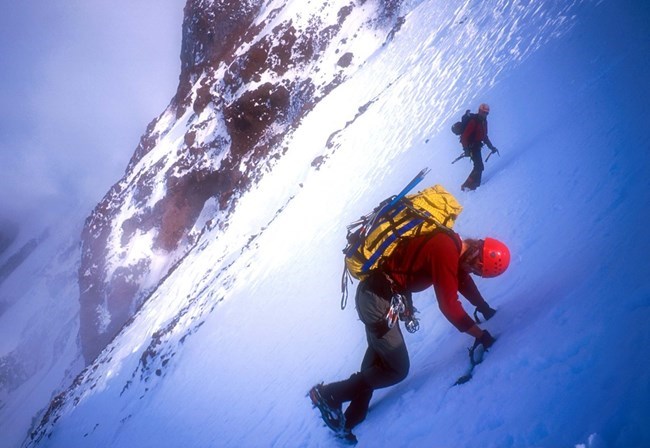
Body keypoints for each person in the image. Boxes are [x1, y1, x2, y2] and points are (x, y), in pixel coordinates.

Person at [309, 230, 510, 442]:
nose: (473, 272)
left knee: (382, 354)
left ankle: (352, 416)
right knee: (397, 368)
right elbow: (449, 306)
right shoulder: (445, 249)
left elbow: (461, 280)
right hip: (376, 301)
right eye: (477, 269)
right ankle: (329, 395)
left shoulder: (452, 246)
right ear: (477, 258)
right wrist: (480, 336)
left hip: (376, 296)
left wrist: (484, 308)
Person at [460, 103, 498, 191]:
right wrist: (466, 149)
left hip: (477, 146)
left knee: (479, 166)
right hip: (471, 147)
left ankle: (473, 185)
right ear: (479, 111)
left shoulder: (484, 122)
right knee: (479, 166)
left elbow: (484, 136)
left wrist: (491, 147)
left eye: (487, 113)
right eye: (484, 112)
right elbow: (464, 137)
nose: (485, 114)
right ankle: (468, 186)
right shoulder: (473, 122)